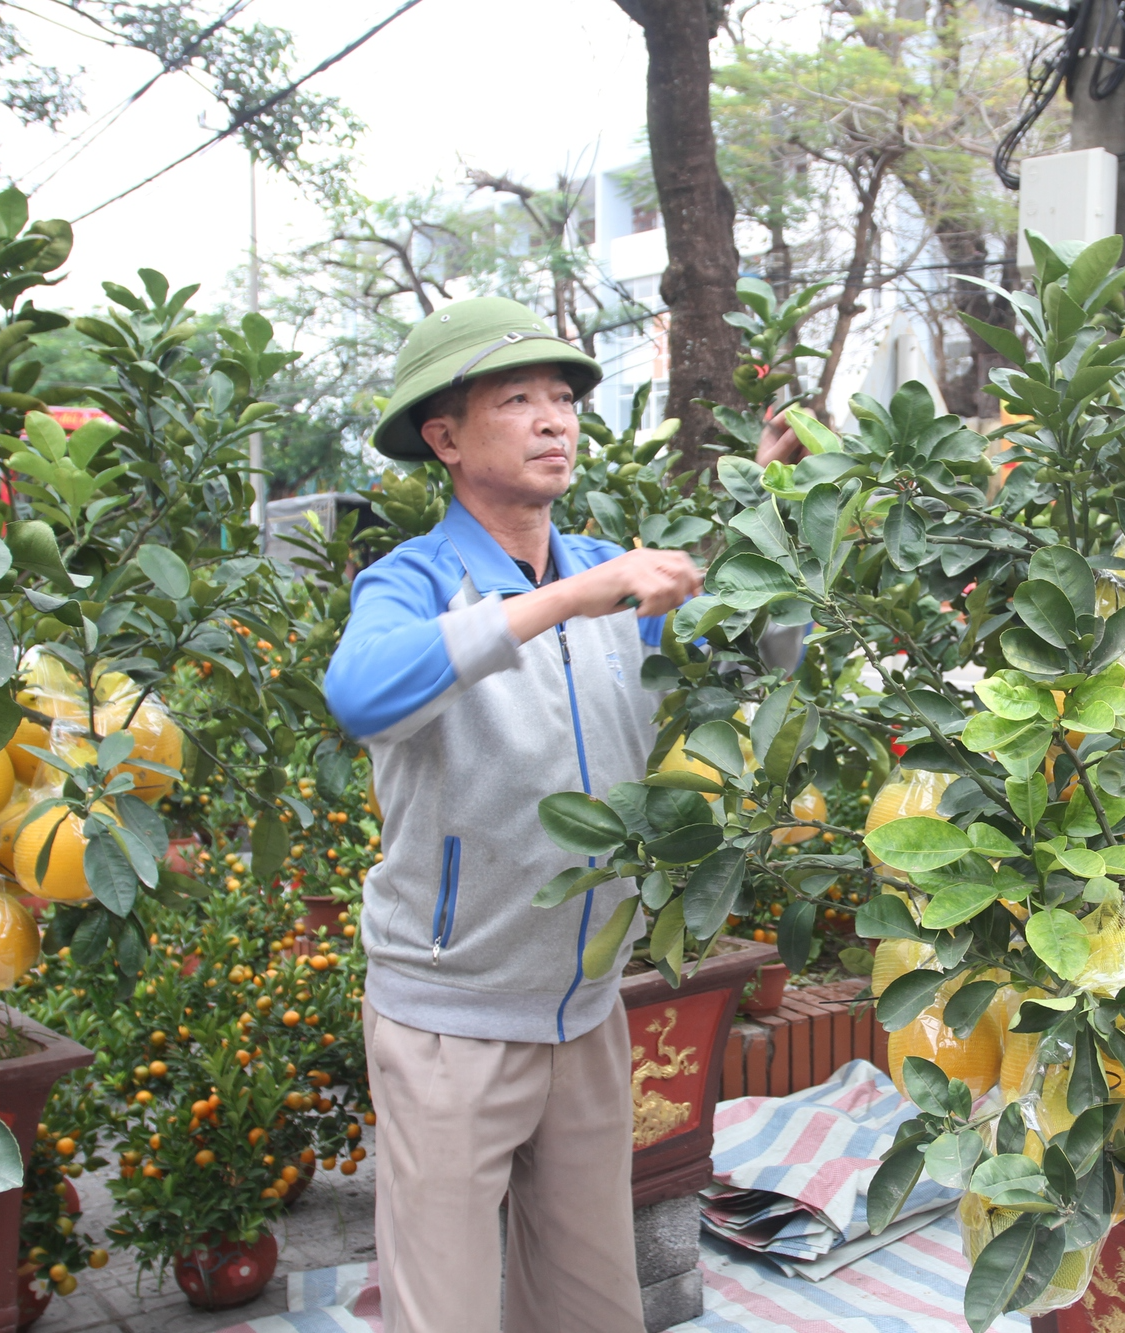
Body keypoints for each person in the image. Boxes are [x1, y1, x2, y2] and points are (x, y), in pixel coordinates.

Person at [323, 297, 799, 1333]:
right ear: (444, 439)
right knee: (441, 1310)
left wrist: (785, 511)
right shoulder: (413, 581)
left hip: (585, 1008)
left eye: (562, 398)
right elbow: (359, 693)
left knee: (593, 1303)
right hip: (450, 1018)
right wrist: (569, 602)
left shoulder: (604, 571)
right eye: (517, 400)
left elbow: (762, 652)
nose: (554, 419)